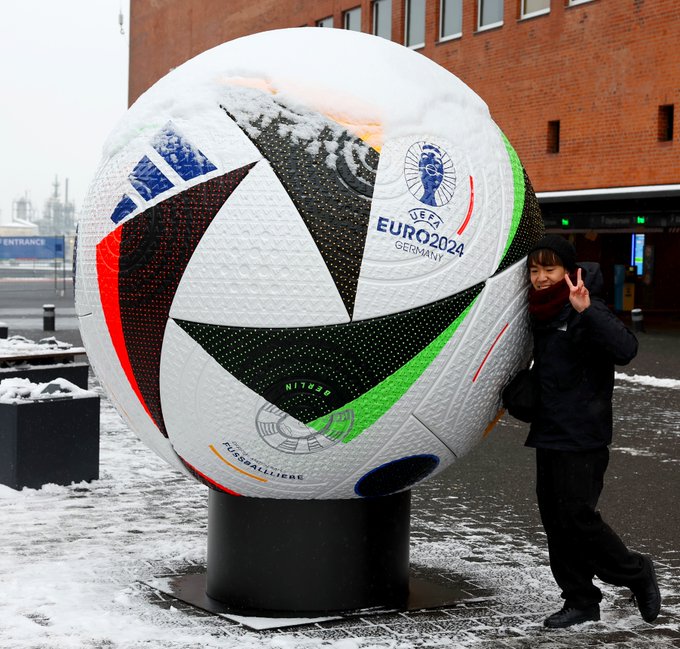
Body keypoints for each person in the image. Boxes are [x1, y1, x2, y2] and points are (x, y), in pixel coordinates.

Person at [522, 234, 661, 629]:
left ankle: (636, 573)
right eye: (535, 270)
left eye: (550, 269)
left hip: (583, 435)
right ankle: (581, 599)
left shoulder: (584, 308)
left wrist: (586, 311)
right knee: (556, 523)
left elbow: (626, 350)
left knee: (579, 519)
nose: (541, 277)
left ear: (569, 272)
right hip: (549, 433)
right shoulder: (539, 313)